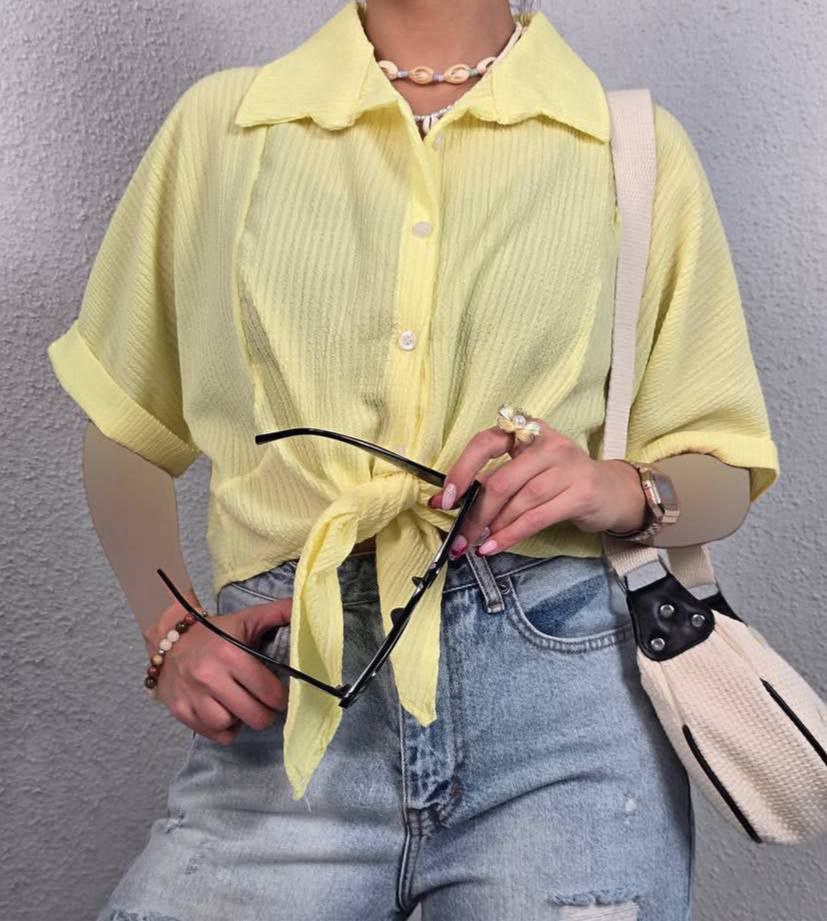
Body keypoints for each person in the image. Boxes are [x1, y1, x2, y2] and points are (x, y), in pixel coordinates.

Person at [46, 1, 780, 918]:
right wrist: (170, 632)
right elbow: (127, 421)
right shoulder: (228, 127)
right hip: (291, 698)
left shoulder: (626, 146)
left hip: (564, 717)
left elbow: (723, 466)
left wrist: (615, 487)